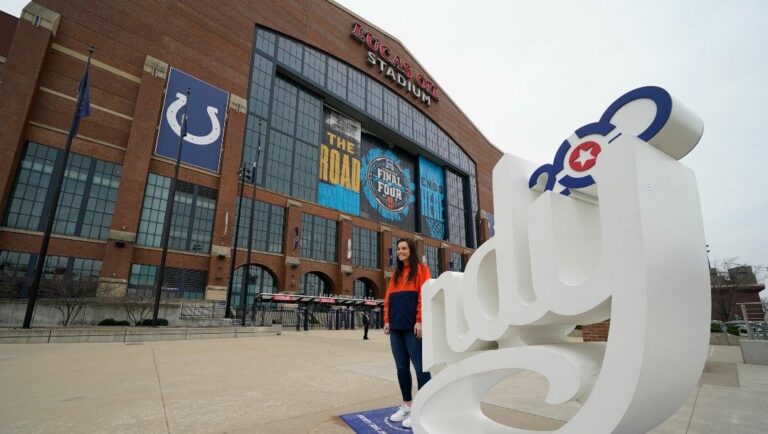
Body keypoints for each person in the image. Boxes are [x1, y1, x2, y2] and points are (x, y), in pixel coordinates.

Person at [384, 238, 431, 429]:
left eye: (404, 248)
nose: (400, 251)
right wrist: (387, 320)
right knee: (402, 369)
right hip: (396, 327)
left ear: (411, 250)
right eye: (398, 249)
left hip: (413, 327)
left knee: (420, 368)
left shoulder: (421, 270)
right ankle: (408, 405)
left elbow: (423, 296)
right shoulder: (395, 274)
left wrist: (420, 320)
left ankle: (424, 407)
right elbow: (388, 299)